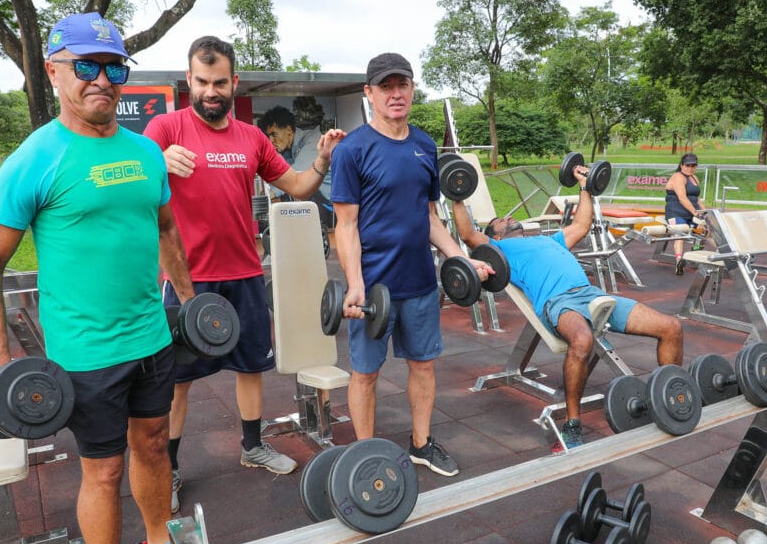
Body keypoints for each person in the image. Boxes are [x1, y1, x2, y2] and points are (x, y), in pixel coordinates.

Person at [0, 12, 194, 544]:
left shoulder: (145, 153)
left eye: (113, 68)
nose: (101, 79)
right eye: (86, 66)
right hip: (86, 354)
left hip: (152, 338)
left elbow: (167, 230)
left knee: (155, 445)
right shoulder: (34, 159)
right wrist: (5, 369)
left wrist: (190, 303)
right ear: (54, 70)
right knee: (103, 472)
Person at [143, 37, 345, 511]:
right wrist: (154, 162)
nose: (210, 91)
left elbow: (297, 186)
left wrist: (321, 161)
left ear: (233, 83)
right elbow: (128, 179)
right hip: (187, 279)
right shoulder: (165, 129)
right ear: (188, 81)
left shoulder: (252, 139)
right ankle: (169, 468)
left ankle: (252, 446)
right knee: (178, 379)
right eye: (201, 82)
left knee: (252, 366)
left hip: (245, 272)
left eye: (219, 82)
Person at [329, 52, 493, 477]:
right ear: (369, 94)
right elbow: (345, 226)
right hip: (373, 289)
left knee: (423, 365)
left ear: (413, 89)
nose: (395, 94)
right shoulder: (352, 150)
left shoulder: (425, 145)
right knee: (365, 373)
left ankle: (421, 444)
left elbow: (429, 217)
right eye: (385, 87)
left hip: (419, 282)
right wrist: (354, 284)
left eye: (402, 85)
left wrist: (461, 259)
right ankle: (365, 457)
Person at [451, 164, 684, 450]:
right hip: (558, 302)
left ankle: (671, 396)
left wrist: (585, 186)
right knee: (582, 341)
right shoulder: (499, 250)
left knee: (671, 327)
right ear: (495, 236)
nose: (509, 217)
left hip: (592, 294)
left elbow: (581, 225)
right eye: (501, 220)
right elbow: (468, 234)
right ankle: (572, 422)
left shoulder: (550, 240)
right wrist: (457, 194)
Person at [257, 104, 334, 228]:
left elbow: (295, 177)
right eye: (268, 136)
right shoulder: (288, 150)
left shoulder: (312, 140)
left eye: (274, 134)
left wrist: (266, 196)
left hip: (334, 207)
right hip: (320, 204)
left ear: (288, 130)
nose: (271, 141)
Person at [665, 152, 708, 274]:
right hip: (676, 213)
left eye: (693, 166)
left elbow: (697, 199)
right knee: (681, 234)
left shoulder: (694, 178)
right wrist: (695, 212)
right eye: (687, 165)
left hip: (691, 214)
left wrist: (705, 213)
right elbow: (682, 198)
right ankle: (679, 262)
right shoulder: (678, 177)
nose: (690, 168)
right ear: (682, 165)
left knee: (708, 230)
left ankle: (694, 252)